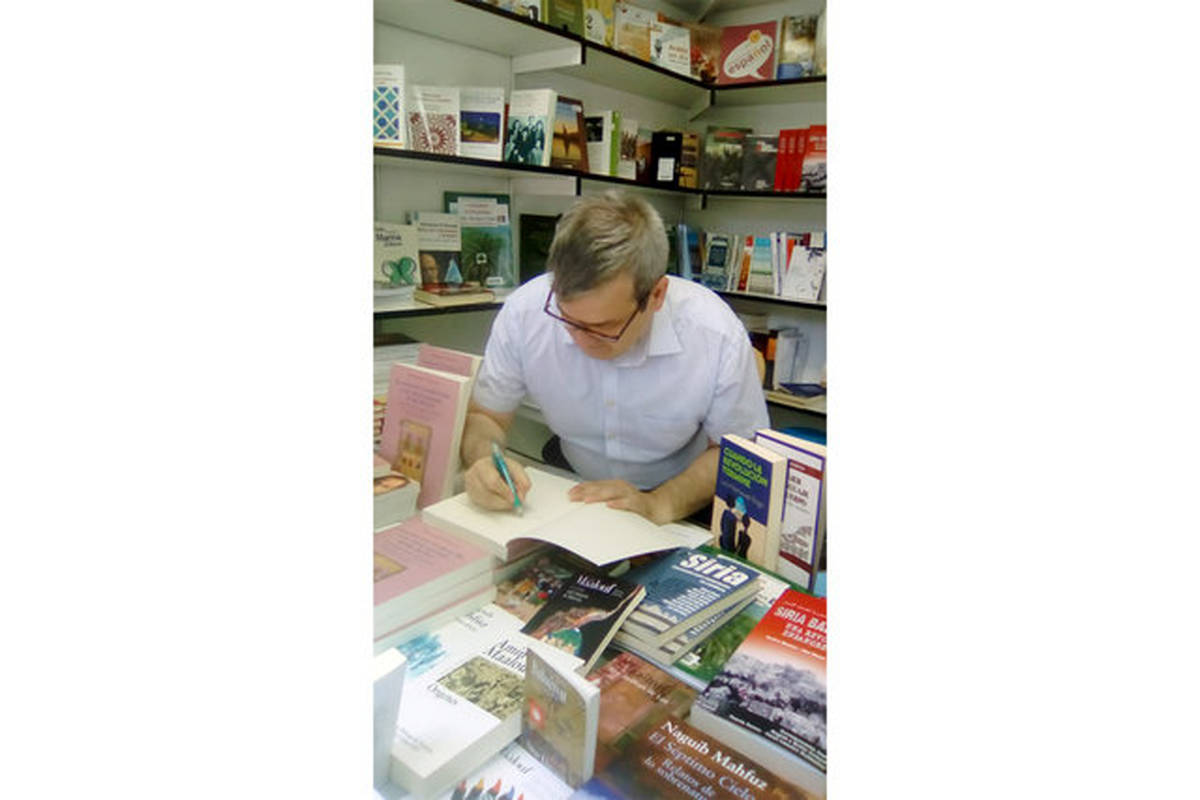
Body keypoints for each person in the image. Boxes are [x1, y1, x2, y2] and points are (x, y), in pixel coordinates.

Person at [460, 191, 769, 525]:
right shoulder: (525, 313)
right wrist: (483, 460)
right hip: (572, 480)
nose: (580, 339)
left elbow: (734, 453)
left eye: (603, 327)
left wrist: (658, 504)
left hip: (680, 494)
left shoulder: (714, 332)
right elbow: (486, 417)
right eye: (567, 318)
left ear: (656, 295)